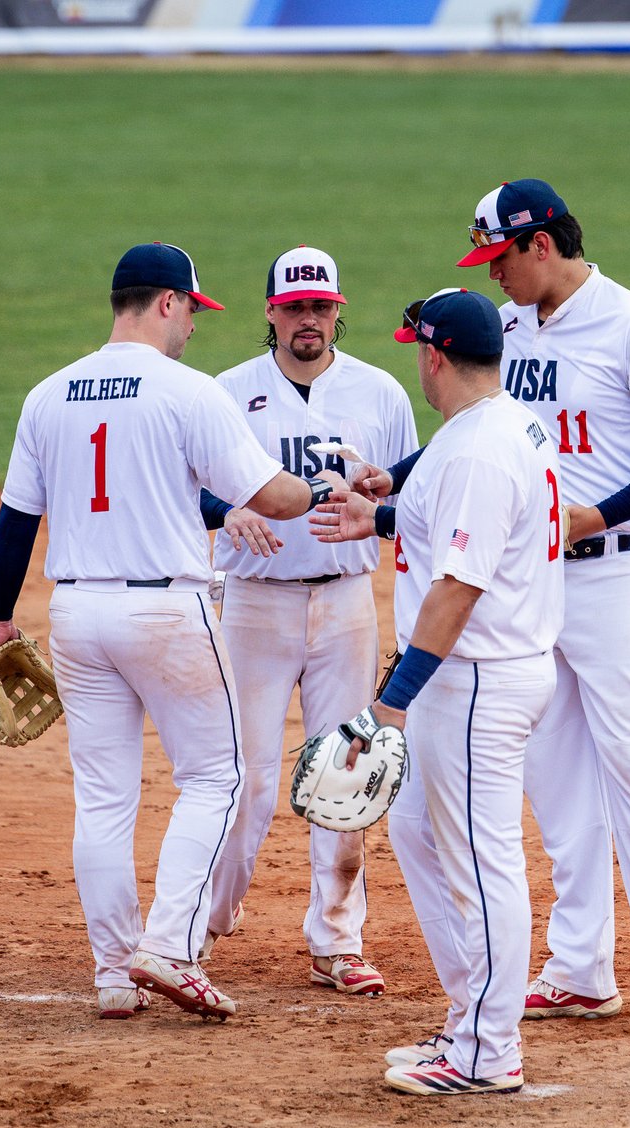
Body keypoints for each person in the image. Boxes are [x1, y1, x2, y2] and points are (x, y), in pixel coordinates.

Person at [353, 180, 630, 1035]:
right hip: (539, 583)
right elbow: (481, 423)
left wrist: (595, 516)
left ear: (540, 244)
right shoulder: (510, 328)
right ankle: (580, 969)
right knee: (558, 778)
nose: (492, 274)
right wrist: (400, 477)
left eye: (499, 257)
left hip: (618, 577)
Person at [0, 241, 337, 1021]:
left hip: (77, 614)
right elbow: (270, 498)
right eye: (192, 312)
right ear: (169, 303)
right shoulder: (187, 392)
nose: (194, 328)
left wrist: (2, 620)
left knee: (103, 798)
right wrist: (321, 487)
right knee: (217, 777)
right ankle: (170, 945)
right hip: (165, 613)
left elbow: (15, 521)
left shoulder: (48, 393)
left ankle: (114, 974)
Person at [313, 288, 564, 1095]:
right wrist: (379, 519)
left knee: (482, 862)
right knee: (419, 831)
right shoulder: (500, 425)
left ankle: (490, 1052)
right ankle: (469, 1020)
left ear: (434, 356)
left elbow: (458, 587)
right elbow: (459, 527)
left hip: (476, 680)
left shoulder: (476, 452)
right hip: (470, 675)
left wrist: (394, 698)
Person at [197, 245, 418, 996]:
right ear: (271, 312)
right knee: (245, 778)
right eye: (294, 307)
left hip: (346, 604)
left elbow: (411, 497)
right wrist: (226, 511)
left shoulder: (380, 392)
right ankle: (202, 925)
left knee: (345, 773)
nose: (308, 320)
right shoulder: (228, 393)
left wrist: (380, 501)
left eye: (320, 306)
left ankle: (338, 941)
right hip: (253, 605)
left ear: (336, 310)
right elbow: (189, 486)